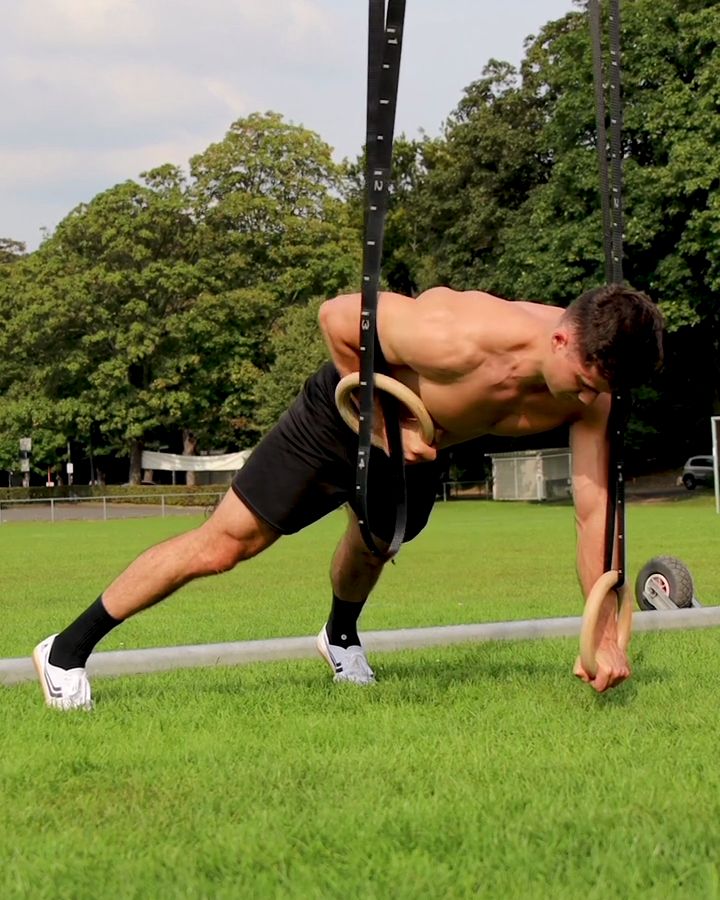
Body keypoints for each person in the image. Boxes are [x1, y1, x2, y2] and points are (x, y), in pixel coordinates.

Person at [33, 283, 664, 709]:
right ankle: (64, 652)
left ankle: (339, 636)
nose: (585, 403)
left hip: (416, 447)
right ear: (561, 340)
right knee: (224, 546)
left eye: (596, 393)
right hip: (338, 420)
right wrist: (386, 427)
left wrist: (605, 631)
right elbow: (337, 318)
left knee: (375, 544)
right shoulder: (460, 332)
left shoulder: (595, 390)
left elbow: (591, 510)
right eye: (582, 385)